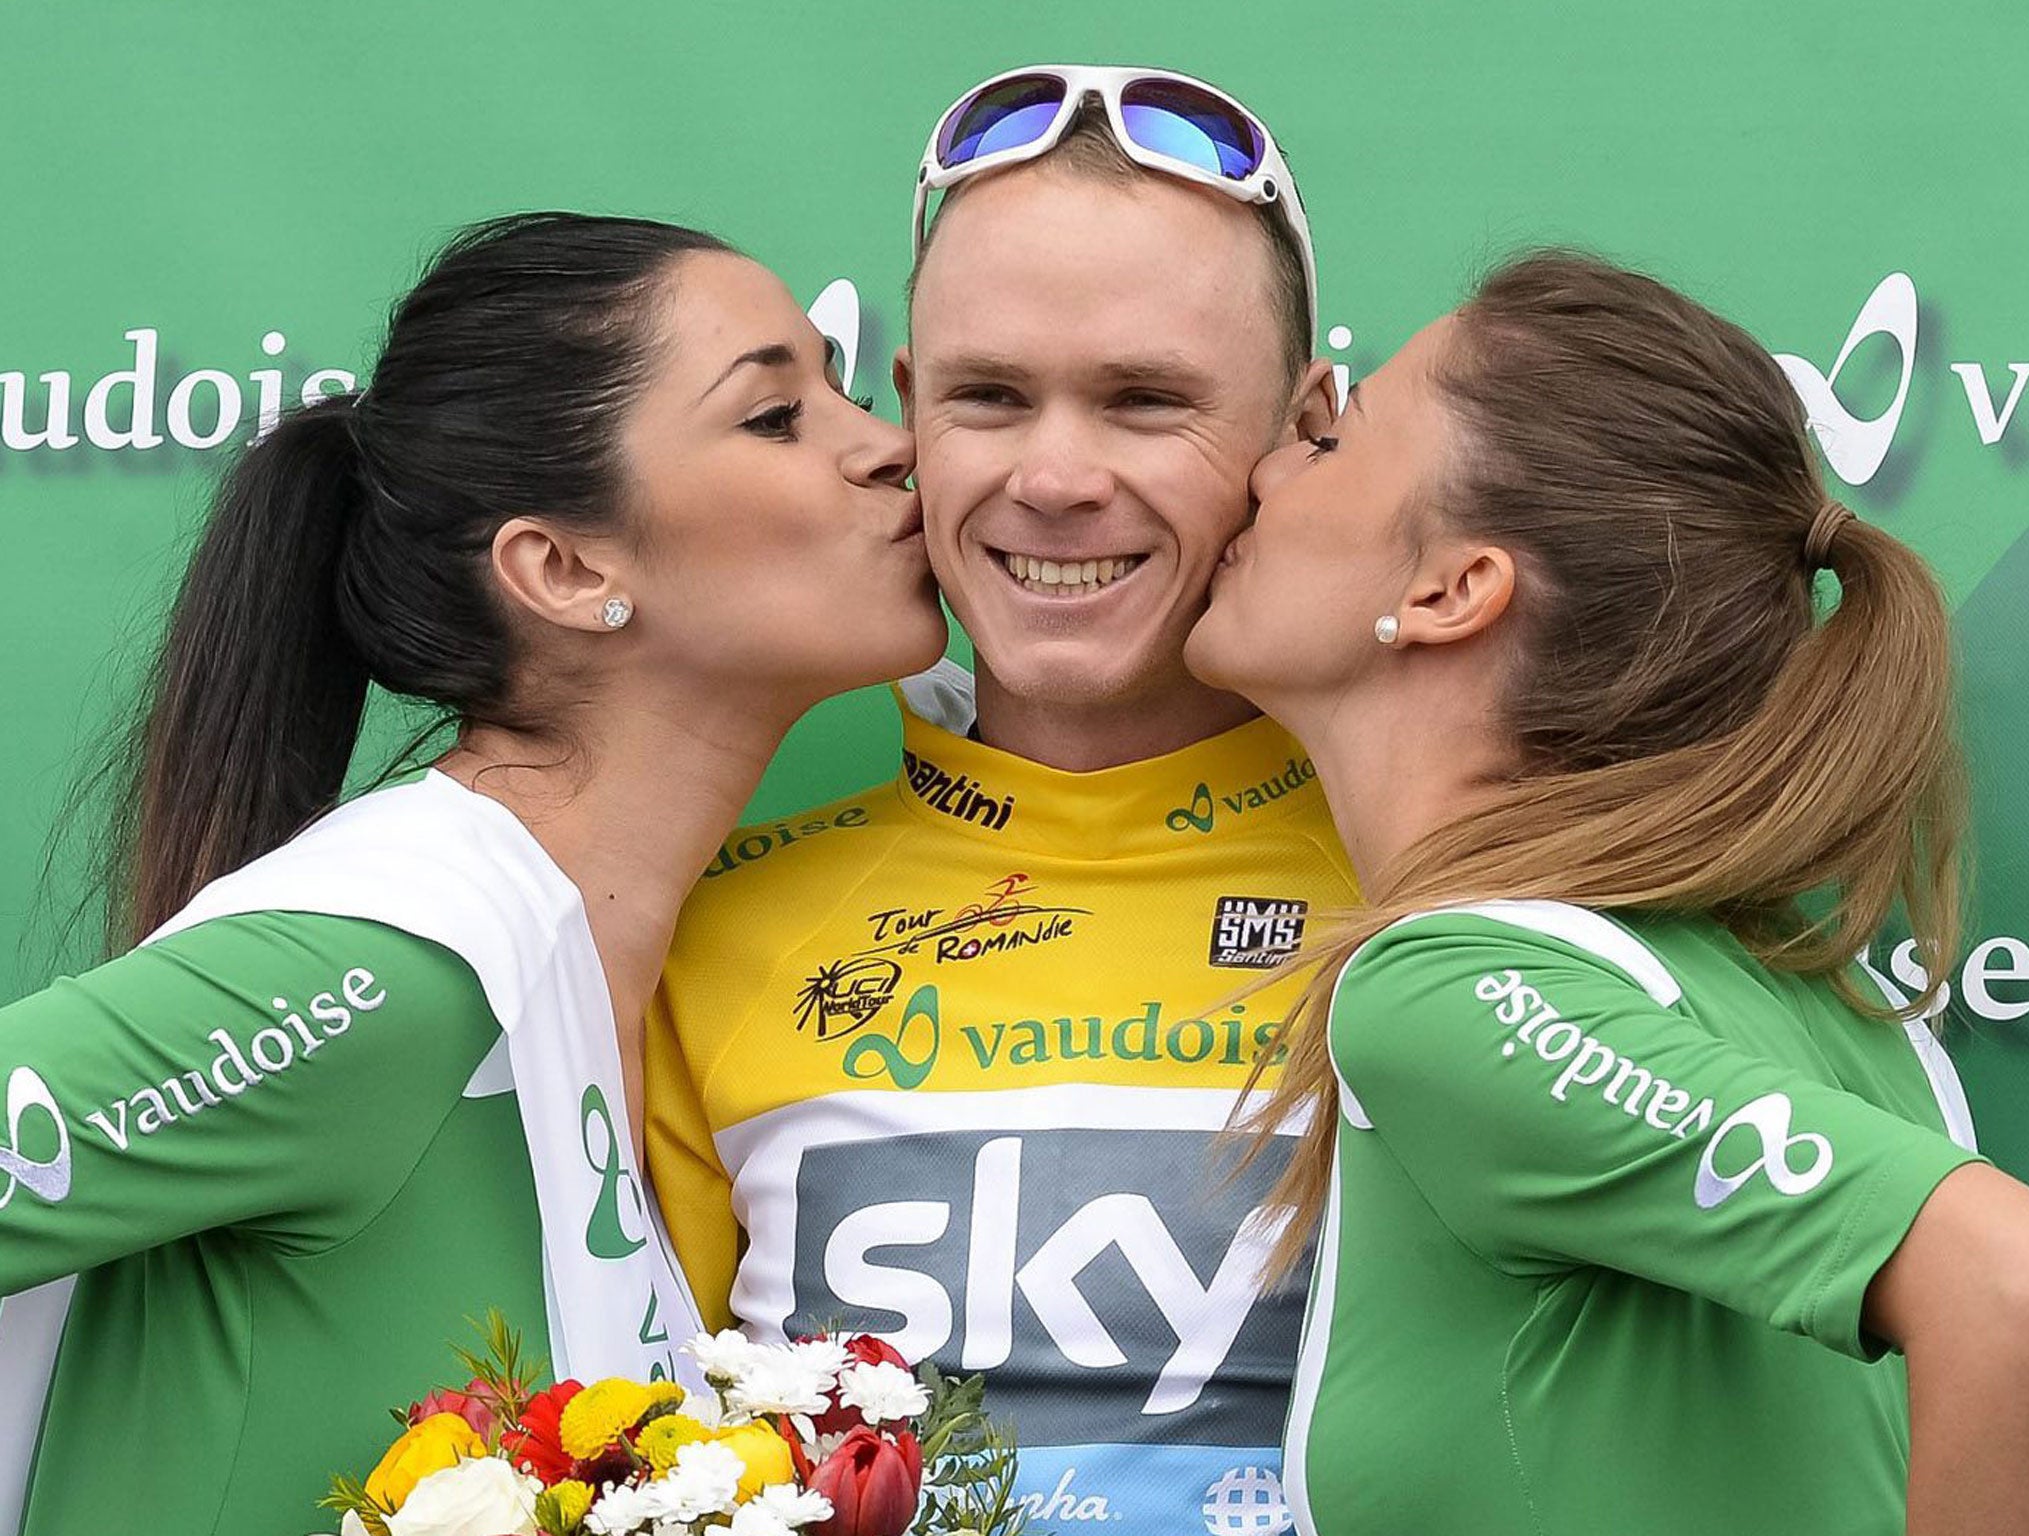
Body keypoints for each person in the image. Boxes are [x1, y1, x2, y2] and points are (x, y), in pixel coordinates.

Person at [0, 211, 946, 1536]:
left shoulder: (615, 993)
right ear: (565, 569)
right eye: (777, 415)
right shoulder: (384, 971)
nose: (892, 444)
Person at [1185, 250, 2029, 1535]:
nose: (1265, 469)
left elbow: (2013, 1288)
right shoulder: (1826, 995)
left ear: (1449, 591)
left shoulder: (1445, 988)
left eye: (1333, 441)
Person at [646, 65, 1351, 1532]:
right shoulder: (701, 927)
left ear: (1308, 431)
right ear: (909, 415)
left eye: (1147, 401)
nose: (1055, 475)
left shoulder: (1463, 899)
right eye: (990, 396)